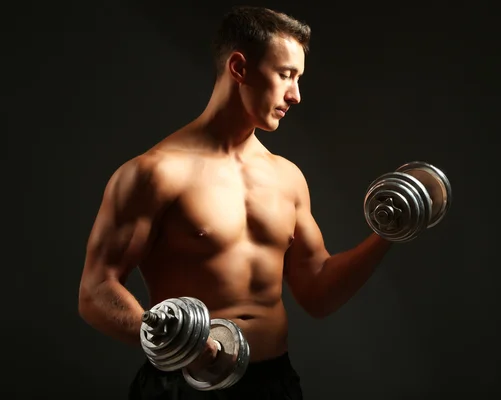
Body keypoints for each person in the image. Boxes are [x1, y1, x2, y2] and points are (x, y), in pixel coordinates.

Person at [78, 6, 393, 399]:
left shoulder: (287, 177)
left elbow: (317, 293)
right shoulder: (154, 173)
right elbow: (95, 291)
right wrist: (182, 345)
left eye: (298, 79)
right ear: (240, 68)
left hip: (274, 383)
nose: (295, 95)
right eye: (285, 75)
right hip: (184, 385)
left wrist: (387, 235)